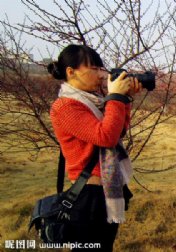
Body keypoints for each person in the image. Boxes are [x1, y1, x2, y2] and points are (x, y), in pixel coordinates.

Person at [48, 44, 142, 251]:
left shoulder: (96, 102)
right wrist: (116, 97)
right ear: (71, 72)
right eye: (94, 69)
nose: (101, 74)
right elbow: (105, 137)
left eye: (101, 68)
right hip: (88, 196)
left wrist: (123, 98)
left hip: (109, 188)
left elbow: (118, 131)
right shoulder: (65, 106)